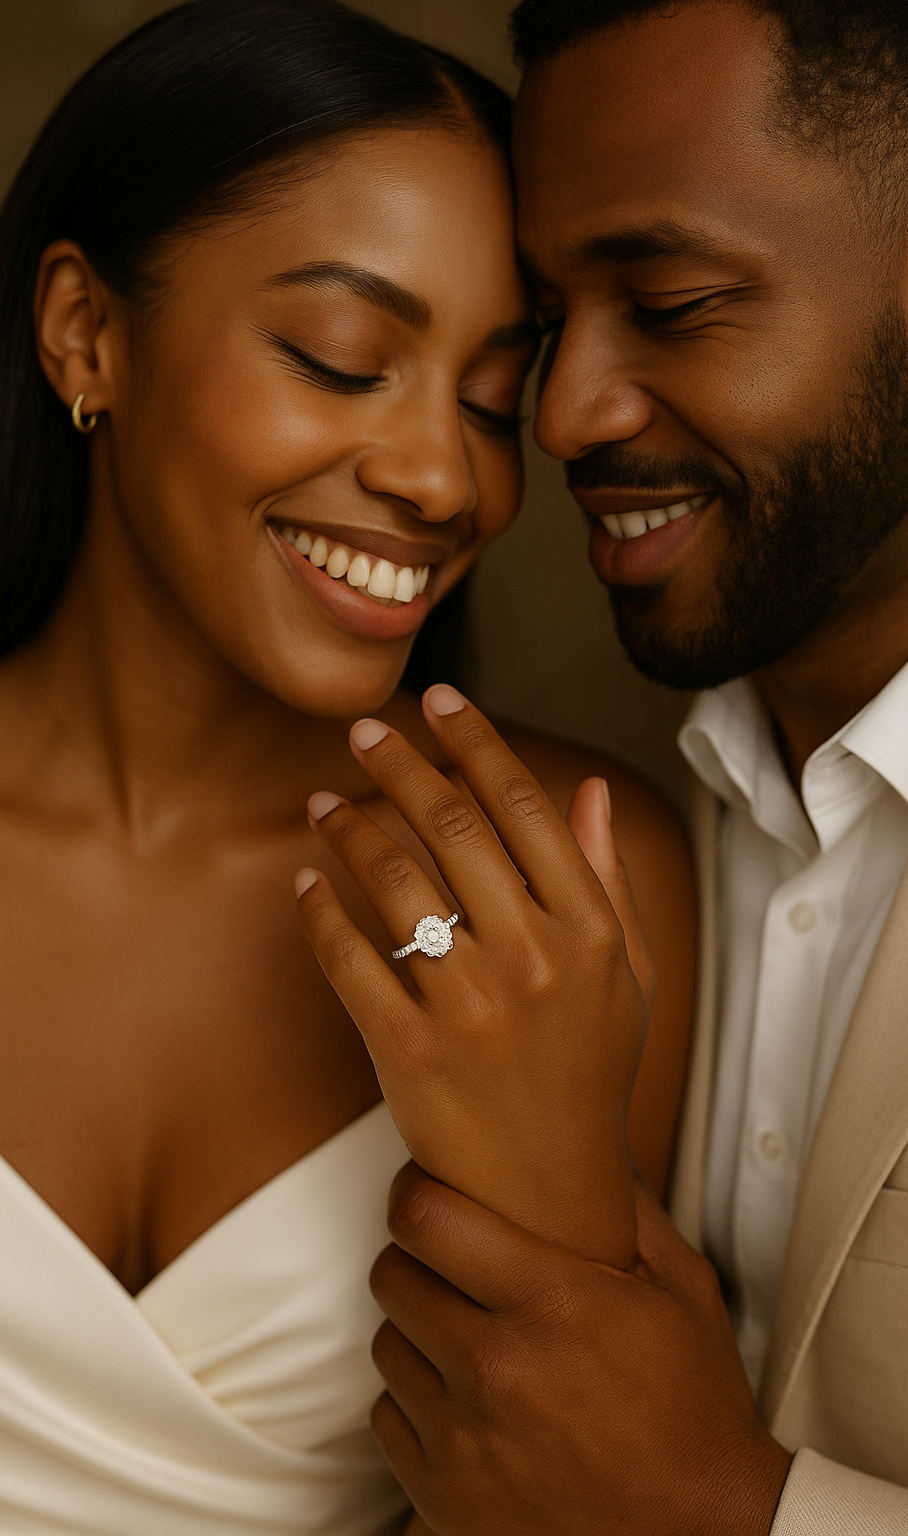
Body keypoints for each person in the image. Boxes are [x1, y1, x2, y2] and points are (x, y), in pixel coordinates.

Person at [307, 0, 908, 1532]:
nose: (565, 415)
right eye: (552, 323)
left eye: (676, 300)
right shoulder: (583, 779)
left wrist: (721, 1508)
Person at [0, 2, 696, 1531]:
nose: (447, 477)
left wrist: (552, 1162)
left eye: (491, 398)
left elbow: (600, 1490)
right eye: (343, 357)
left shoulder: (577, 881)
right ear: (84, 332)